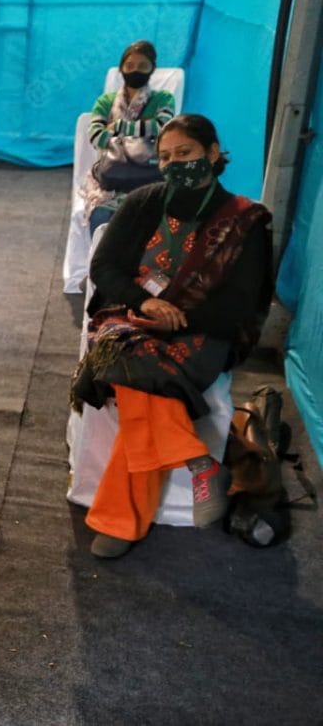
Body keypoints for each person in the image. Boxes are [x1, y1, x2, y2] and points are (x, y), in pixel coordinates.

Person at [71, 114, 272, 559]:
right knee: (135, 361)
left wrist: (177, 318)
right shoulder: (144, 202)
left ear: (214, 154)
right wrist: (144, 304)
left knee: (145, 379)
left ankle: (122, 521)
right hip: (131, 320)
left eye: (186, 153)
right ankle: (198, 461)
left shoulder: (245, 221)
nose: (175, 163)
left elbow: (241, 303)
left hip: (204, 331)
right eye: (166, 157)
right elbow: (105, 269)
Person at [80, 40, 176, 232]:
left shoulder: (164, 99)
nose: (135, 70)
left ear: (152, 69)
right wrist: (143, 132)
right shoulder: (105, 101)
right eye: (130, 65)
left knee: (155, 222)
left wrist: (119, 127)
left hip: (152, 178)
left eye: (143, 65)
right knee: (100, 219)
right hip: (111, 184)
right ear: (121, 68)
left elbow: (161, 128)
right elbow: (96, 137)